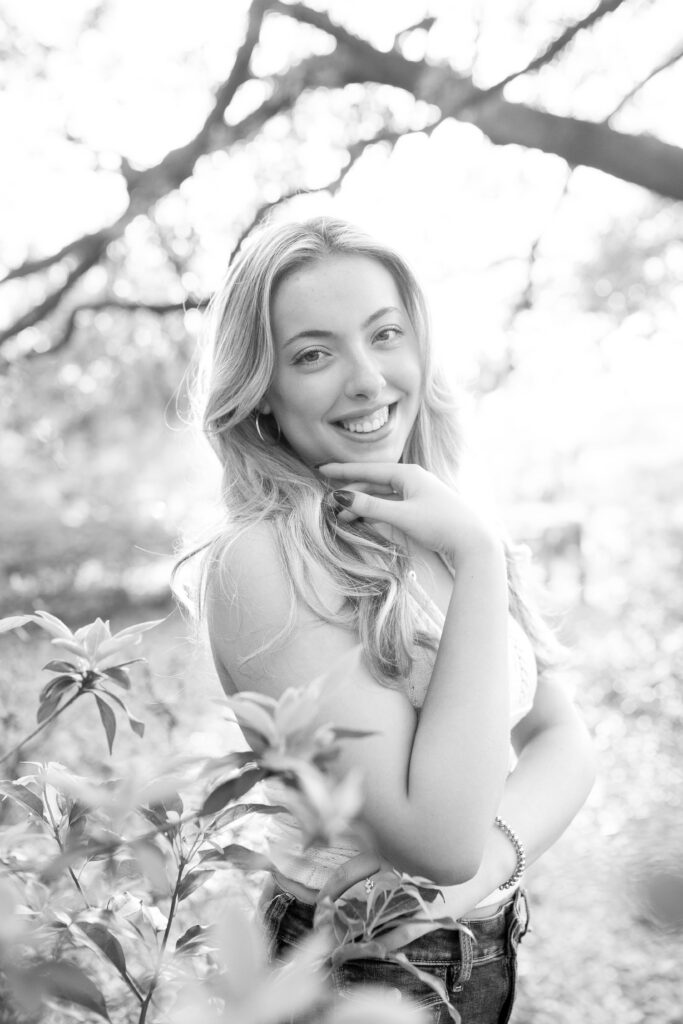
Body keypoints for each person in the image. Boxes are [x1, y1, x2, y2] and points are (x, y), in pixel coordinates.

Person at [184, 217, 596, 1023]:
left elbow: (565, 741)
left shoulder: (441, 521)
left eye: (385, 334)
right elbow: (435, 838)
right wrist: (480, 560)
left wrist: (477, 880)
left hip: (472, 954)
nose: (368, 380)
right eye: (313, 354)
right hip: (354, 974)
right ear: (260, 387)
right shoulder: (263, 560)